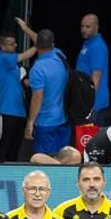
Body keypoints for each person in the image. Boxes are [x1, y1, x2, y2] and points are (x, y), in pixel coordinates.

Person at [25, 29, 71, 160]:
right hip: (64, 118)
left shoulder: (37, 68)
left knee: (47, 161)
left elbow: (37, 98)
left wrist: (30, 122)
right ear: (53, 43)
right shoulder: (60, 55)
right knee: (64, 159)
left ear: (37, 45)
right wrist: (25, 29)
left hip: (46, 122)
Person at [0, 31, 33, 162]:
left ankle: (12, 170)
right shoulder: (1, 58)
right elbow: (25, 55)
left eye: (15, 43)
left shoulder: (14, 65)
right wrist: (40, 44)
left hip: (20, 110)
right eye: (11, 44)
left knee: (15, 146)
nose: (15, 45)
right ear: (2, 46)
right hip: (6, 108)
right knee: (3, 143)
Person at [77, 12, 111, 118]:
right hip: (87, 100)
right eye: (82, 26)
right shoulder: (89, 43)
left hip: (93, 104)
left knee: (90, 129)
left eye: (88, 27)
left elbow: (97, 75)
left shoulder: (97, 46)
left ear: (96, 27)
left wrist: (88, 101)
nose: (83, 30)